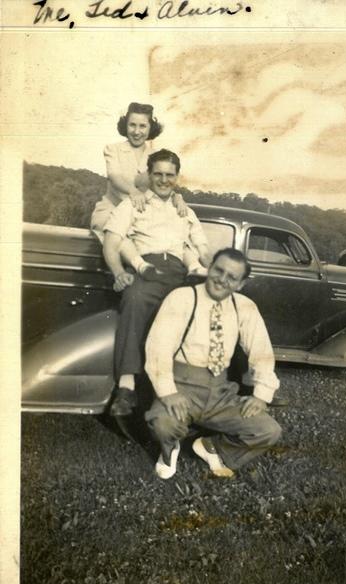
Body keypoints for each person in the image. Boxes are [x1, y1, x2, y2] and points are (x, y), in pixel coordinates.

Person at [144, 248, 282, 479]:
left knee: (269, 431)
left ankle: (214, 449)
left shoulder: (244, 306)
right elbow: (158, 347)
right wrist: (167, 392)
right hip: (182, 384)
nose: (222, 279)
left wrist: (261, 394)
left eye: (232, 277)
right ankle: (169, 450)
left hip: (221, 391)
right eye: (219, 270)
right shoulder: (183, 297)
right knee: (164, 424)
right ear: (209, 268)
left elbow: (262, 352)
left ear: (240, 284)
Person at [103, 149, 210, 416]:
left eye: (169, 175)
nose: (164, 180)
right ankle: (126, 388)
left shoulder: (185, 210)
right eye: (158, 174)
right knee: (135, 298)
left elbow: (203, 249)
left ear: (178, 177)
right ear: (149, 175)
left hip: (181, 272)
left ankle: (200, 386)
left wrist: (219, 269)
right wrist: (119, 273)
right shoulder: (133, 204)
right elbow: (111, 243)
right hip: (147, 268)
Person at [91, 101, 203, 277]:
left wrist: (177, 197)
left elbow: (163, 181)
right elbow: (115, 176)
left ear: (151, 128)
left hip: (140, 213)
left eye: (142, 126)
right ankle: (139, 266)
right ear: (125, 125)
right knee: (114, 232)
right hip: (112, 208)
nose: (137, 131)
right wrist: (133, 192)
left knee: (170, 236)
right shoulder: (113, 149)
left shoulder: (156, 154)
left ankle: (189, 267)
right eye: (132, 125)